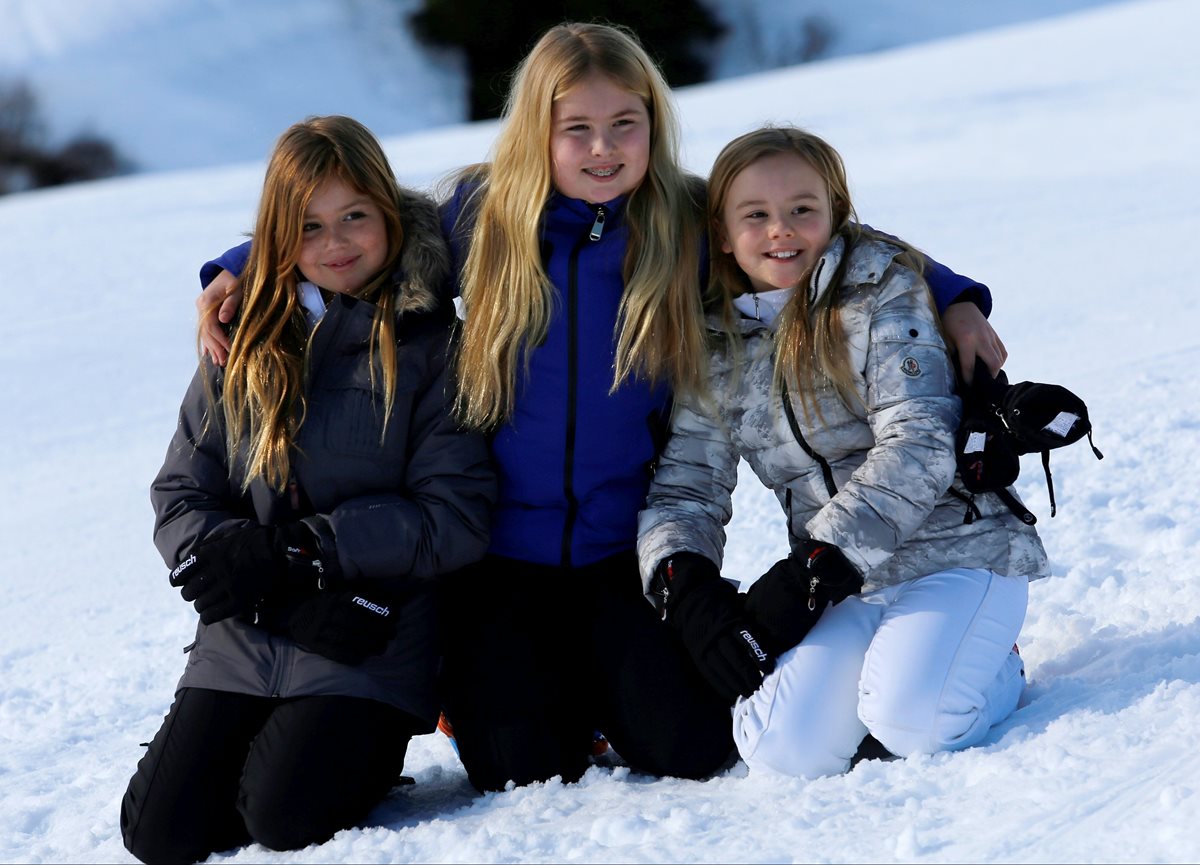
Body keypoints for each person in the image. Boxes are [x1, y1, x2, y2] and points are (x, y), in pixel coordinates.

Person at [189, 23, 1009, 792]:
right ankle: (502, 685)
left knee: (692, 744)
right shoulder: (481, 219)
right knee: (517, 766)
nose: (603, 147)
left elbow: (821, 235)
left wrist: (953, 296)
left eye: (626, 123)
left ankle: (603, 680)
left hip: (623, 546)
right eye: (575, 127)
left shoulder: (687, 221)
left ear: (653, 123)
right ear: (537, 133)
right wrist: (241, 259)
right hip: (502, 555)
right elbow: (359, 230)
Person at [120, 115, 496, 864]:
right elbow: (182, 491)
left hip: (367, 633)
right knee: (159, 831)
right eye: (311, 226)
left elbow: (451, 515)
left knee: (281, 813)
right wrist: (261, 580)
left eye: (356, 216)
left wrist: (309, 549)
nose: (336, 244)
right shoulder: (244, 338)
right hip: (251, 632)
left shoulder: (434, 345)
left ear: (390, 213)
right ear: (277, 236)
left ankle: (367, 752)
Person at [637, 125, 1049, 780]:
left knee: (909, 716)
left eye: (803, 209)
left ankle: (996, 661)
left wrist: (811, 567)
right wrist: (683, 583)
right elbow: (686, 485)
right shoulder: (714, 342)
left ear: (835, 211)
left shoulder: (881, 290)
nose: (782, 230)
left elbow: (918, 441)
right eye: (757, 215)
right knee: (782, 747)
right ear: (721, 231)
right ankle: (913, 663)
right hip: (842, 584)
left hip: (957, 551)